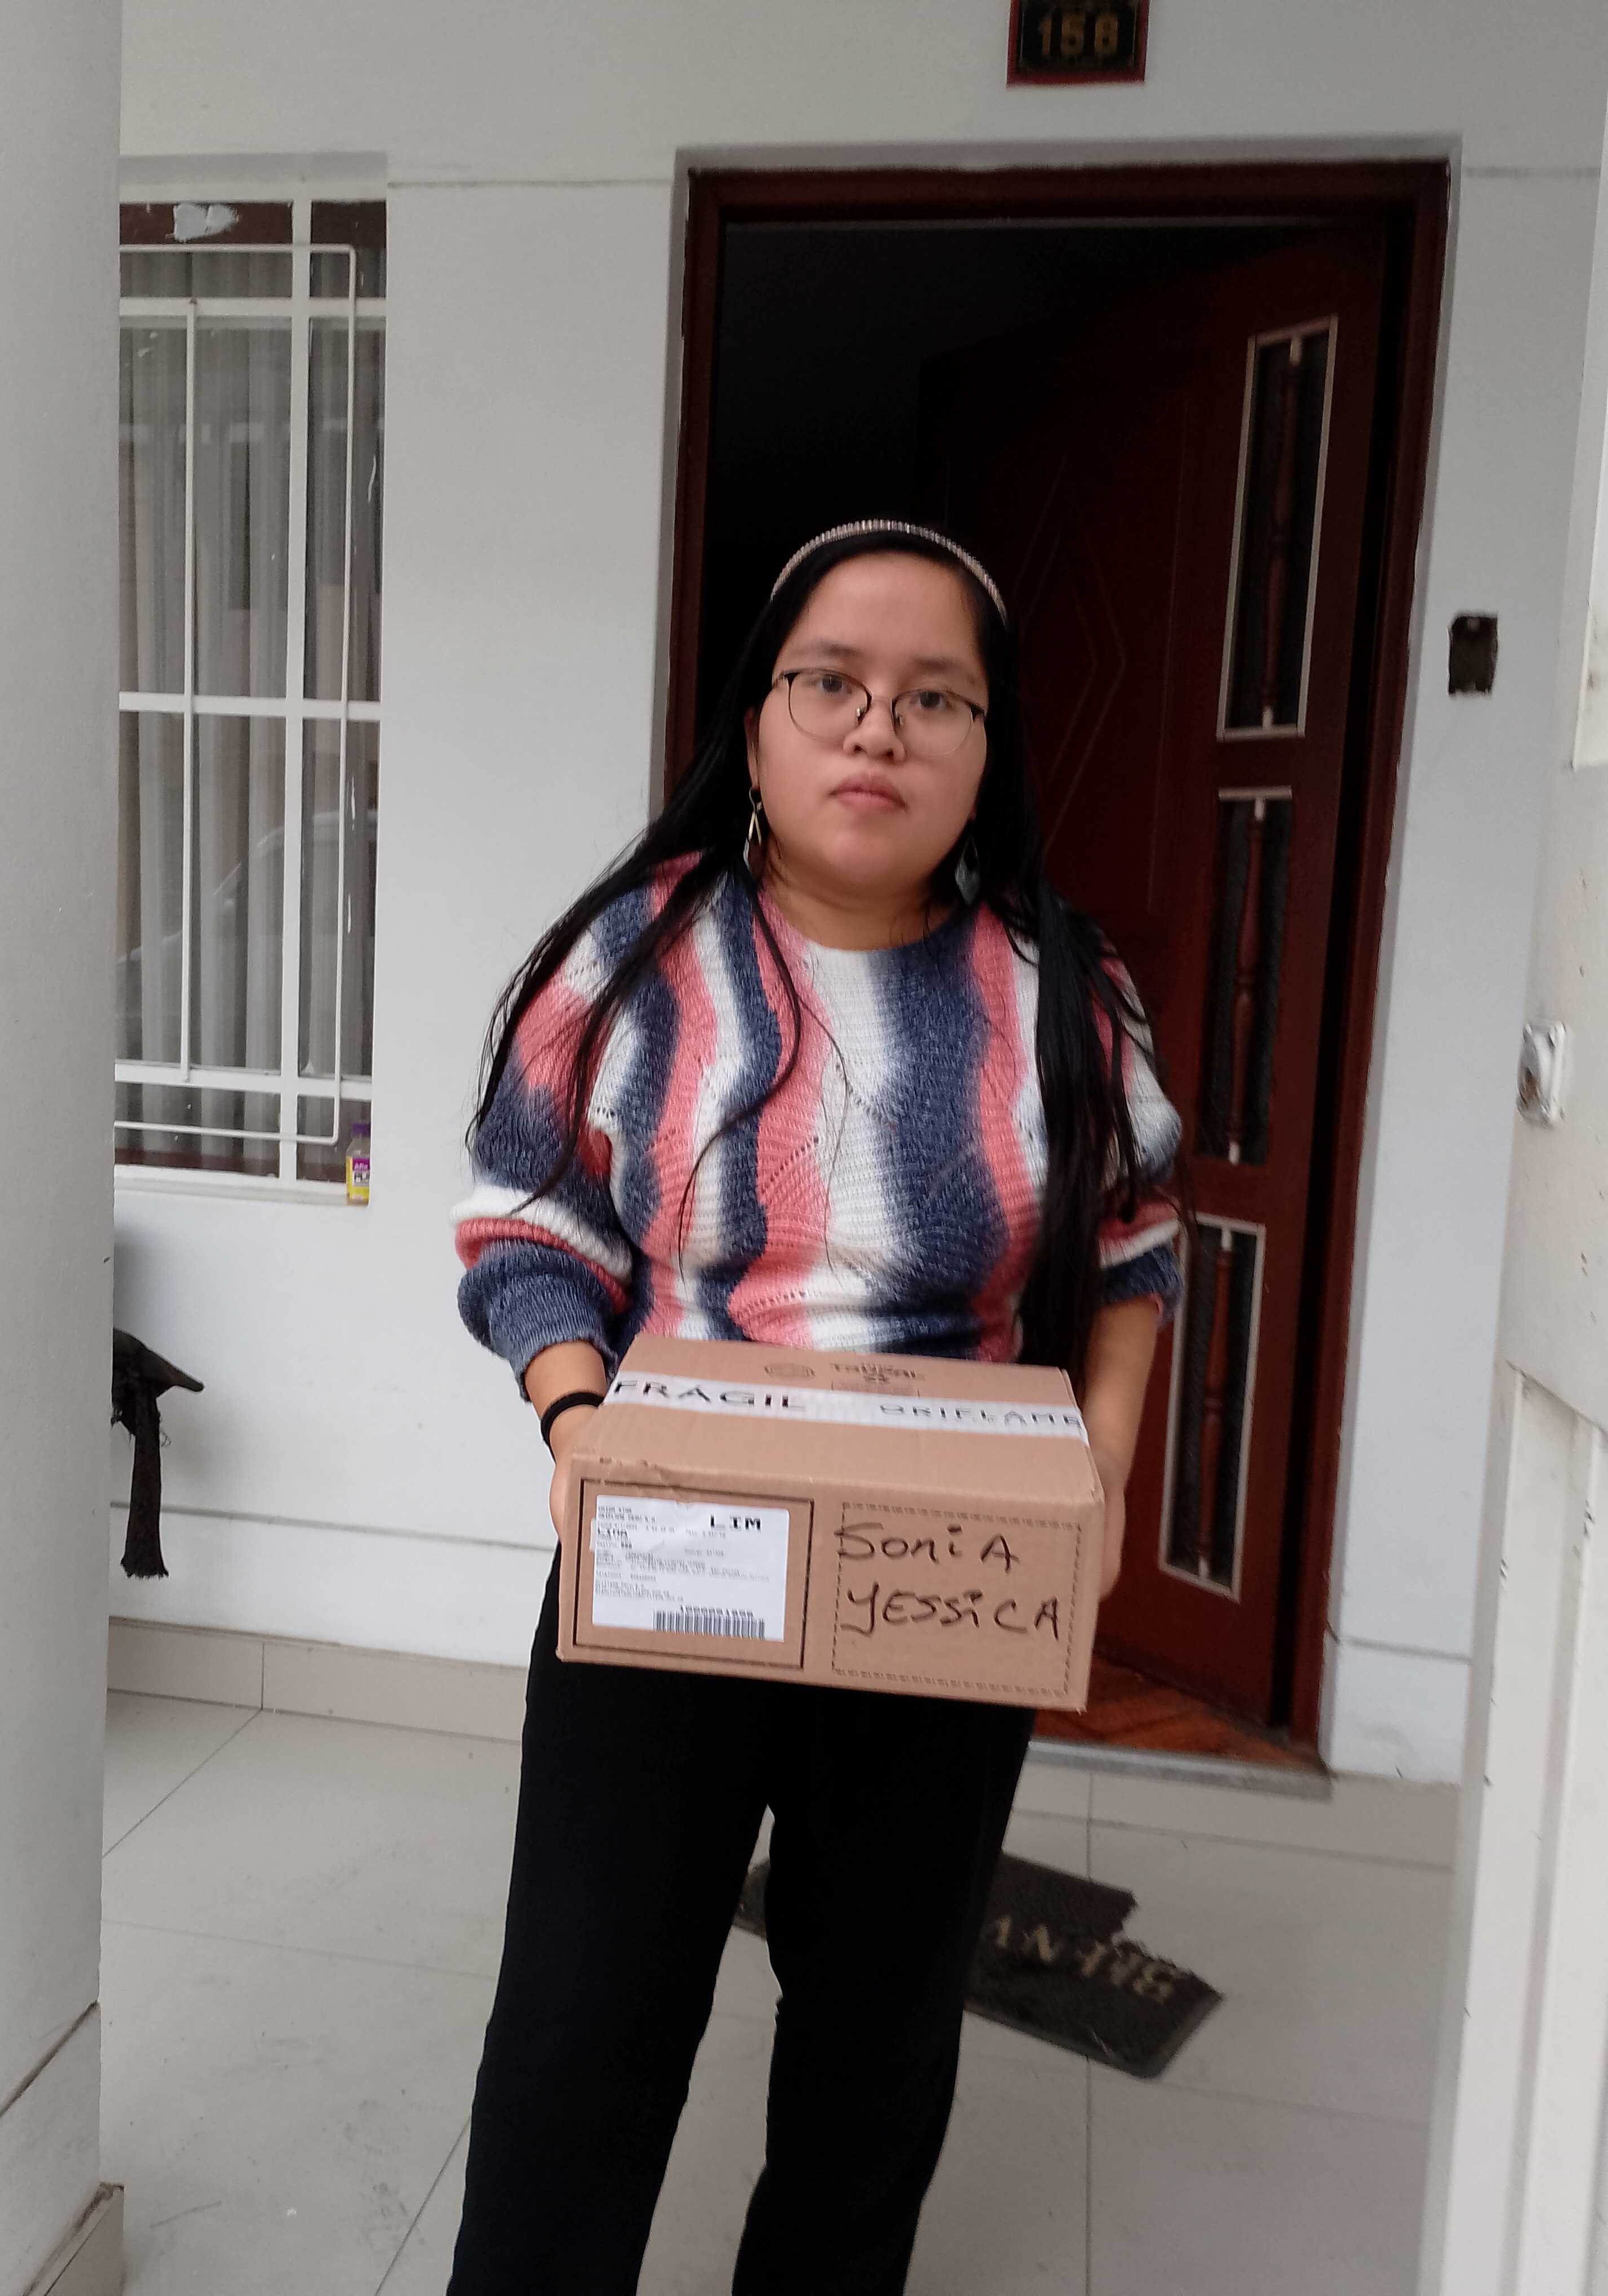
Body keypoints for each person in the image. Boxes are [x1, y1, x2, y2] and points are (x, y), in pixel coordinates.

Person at [446, 518, 1184, 2295]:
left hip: (938, 1590)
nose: (878, 729)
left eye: (936, 698)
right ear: (758, 720)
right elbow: (528, 1219)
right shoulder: (636, 961)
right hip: (670, 1559)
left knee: (875, 2046)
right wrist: (579, 1424)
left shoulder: (1065, 995)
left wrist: (1099, 1481)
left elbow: (1138, 1248)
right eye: (832, 683)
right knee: (582, 2028)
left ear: (987, 750)